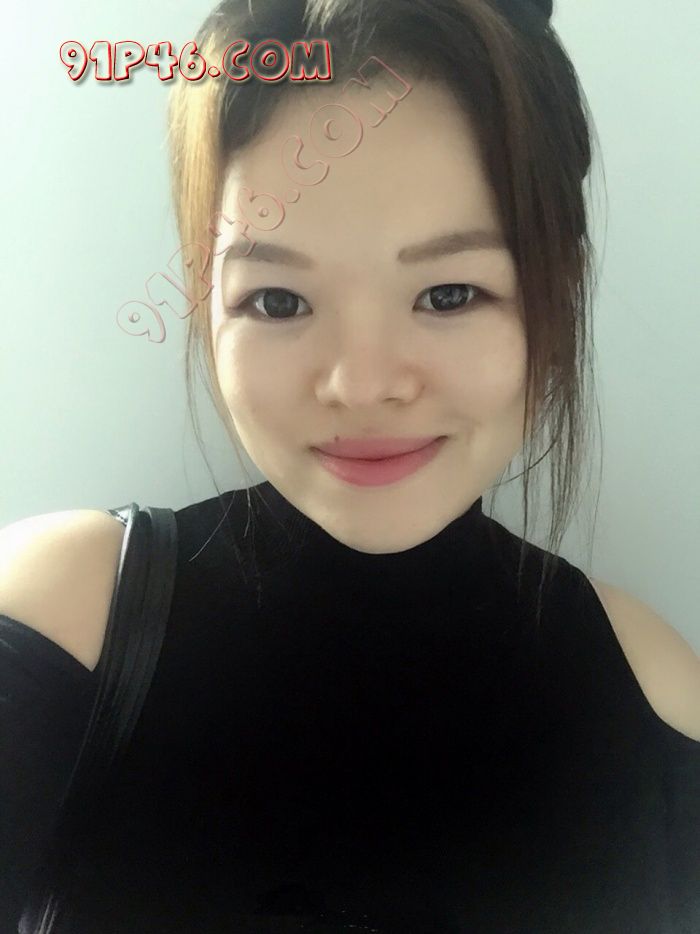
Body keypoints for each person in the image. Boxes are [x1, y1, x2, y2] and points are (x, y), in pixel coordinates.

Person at [2, 0, 698, 931]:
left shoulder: (656, 685)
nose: (361, 385)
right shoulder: (68, 613)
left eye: (449, 294)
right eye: (278, 300)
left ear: (557, 290)